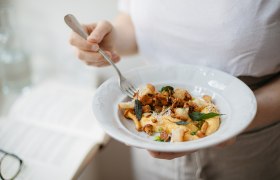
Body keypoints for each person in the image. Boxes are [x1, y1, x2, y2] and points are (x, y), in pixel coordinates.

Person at [69, 0, 280, 179]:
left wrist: (242, 117)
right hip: (149, 144)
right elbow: (134, 22)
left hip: (251, 143)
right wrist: (111, 40)